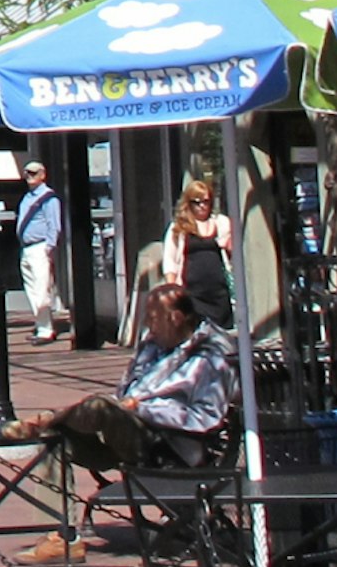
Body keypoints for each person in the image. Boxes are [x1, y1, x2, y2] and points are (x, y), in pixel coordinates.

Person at [41, 274, 235, 475]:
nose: (148, 324)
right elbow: (127, 390)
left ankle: (47, 419)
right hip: (131, 434)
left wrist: (143, 410)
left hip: (170, 447)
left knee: (99, 407)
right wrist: (128, 407)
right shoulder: (153, 344)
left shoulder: (210, 356)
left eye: (152, 318)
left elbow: (205, 417)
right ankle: (49, 425)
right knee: (55, 435)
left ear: (176, 318)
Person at [16, 161, 67, 346]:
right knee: (31, 289)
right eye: (27, 172)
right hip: (26, 248)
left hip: (39, 247)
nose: (29, 175)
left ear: (42, 174)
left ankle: (46, 329)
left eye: (33, 172)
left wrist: (49, 246)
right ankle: (41, 325)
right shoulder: (27, 197)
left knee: (41, 289)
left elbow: (54, 224)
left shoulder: (49, 198)